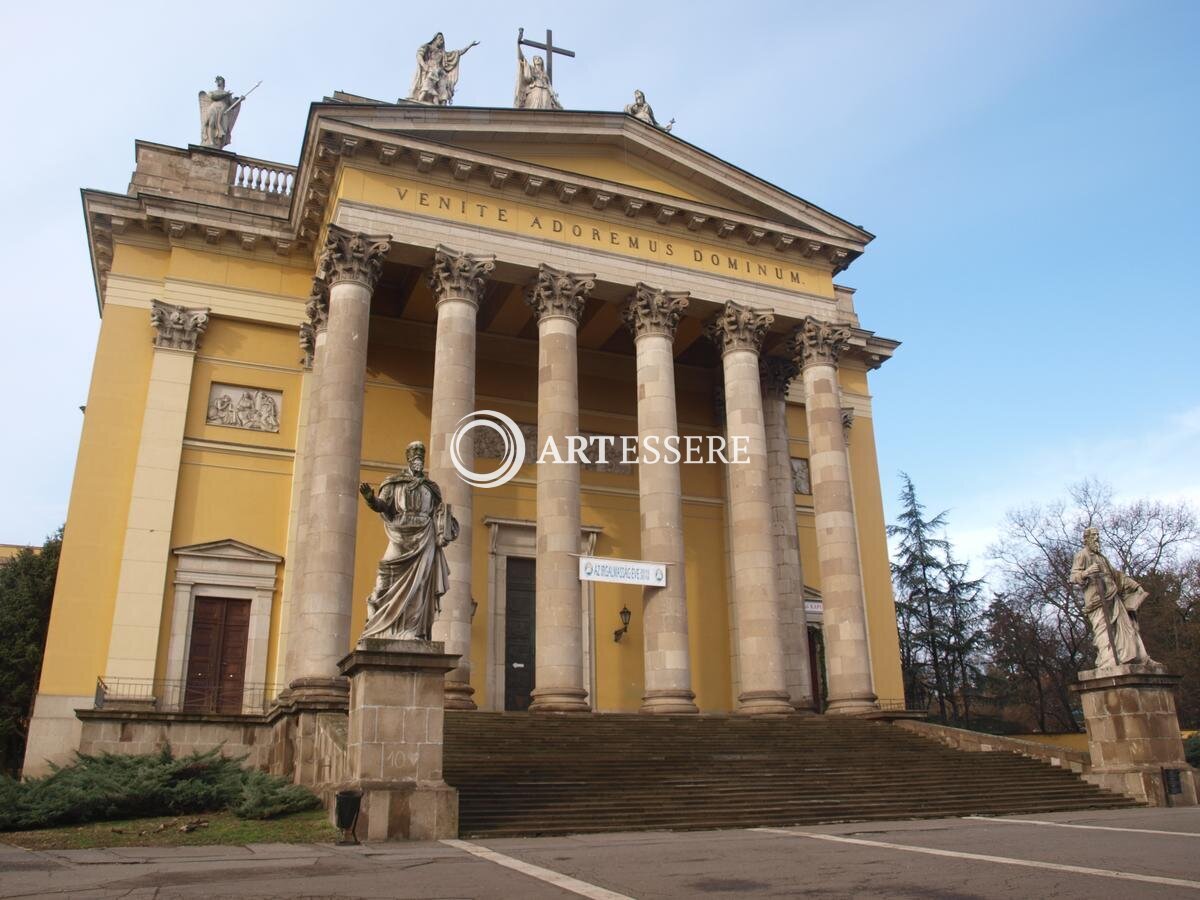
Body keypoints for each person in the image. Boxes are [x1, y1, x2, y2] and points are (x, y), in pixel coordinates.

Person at [358, 441, 459, 641]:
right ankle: (376, 615)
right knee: (386, 572)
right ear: (409, 459)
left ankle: (411, 630)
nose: (418, 458)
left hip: (425, 536)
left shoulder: (431, 488)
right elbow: (383, 505)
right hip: (401, 533)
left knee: (420, 584)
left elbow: (439, 514)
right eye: (414, 455)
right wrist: (370, 499)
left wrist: (446, 526)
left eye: (420, 455)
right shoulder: (394, 482)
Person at [1070, 526, 1155, 669]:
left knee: (1128, 627)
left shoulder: (1101, 558)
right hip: (1097, 601)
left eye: (1098, 535)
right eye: (1094, 535)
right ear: (1086, 538)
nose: (1097, 538)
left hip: (1113, 597)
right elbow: (1073, 577)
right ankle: (1108, 661)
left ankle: (1141, 658)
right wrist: (1086, 573)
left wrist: (1135, 585)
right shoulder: (1082, 555)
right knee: (1103, 630)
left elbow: (1117, 575)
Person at [408, 33, 478, 106]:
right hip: (430, 69)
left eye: (442, 40)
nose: (441, 41)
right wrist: (424, 65)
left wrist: (469, 46)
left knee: (443, 86)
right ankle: (422, 98)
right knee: (428, 84)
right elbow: (419, 54)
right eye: (440, 38)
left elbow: (458, 53)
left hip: (440, 71)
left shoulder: (442, 53)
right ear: (435, 39)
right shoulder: (428, 47)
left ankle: (442, 102)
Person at [514, 30, 563, 110]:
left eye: (539, 58)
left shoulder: (545, 75)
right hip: (535, 90)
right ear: (533, 62)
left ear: (542, 61)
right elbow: (521, 58)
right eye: (535, 58)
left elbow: (550, 87)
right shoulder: (531, 69)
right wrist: (518, 45)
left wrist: (554, 97)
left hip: (545, 92)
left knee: (546, 111)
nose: (537, 59)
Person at [198, 76, 242, 149]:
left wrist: (239, 100)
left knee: (224, 128)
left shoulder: (228, 95)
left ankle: (220, 146)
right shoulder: (213, 92)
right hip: (214, 108)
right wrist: (226, 94)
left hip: (224, 111)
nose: (218, 82)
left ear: (223, 83)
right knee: (211, 124)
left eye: (220, 80)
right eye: (217, 81)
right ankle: (211, 142)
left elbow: (232, 105)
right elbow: (214, 97)